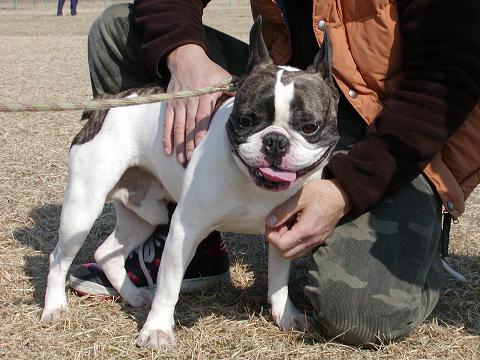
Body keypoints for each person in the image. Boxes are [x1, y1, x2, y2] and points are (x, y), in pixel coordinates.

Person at [68, 0, 480, 345]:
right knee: (121, 29)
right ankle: (184, 236)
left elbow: (449, 79)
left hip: (396, 133)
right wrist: (183, 53)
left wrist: (347, 189)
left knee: (357, 313)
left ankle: (420, 247)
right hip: (277, 91)